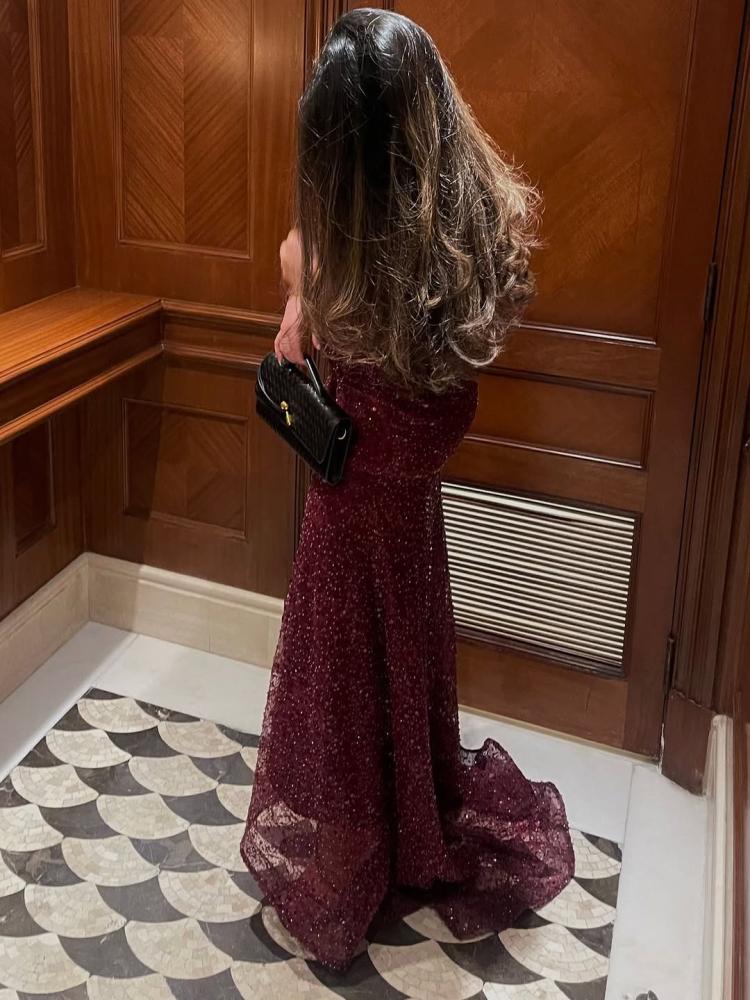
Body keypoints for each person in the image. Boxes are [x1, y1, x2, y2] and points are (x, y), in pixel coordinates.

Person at [240, 8, 574, 970]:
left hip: (353, 497)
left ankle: (355, 847)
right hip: (409, 495)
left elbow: (296, 255)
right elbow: (316, 276)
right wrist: (305, 294)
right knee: (395, 659)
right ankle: (403, 818)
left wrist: (300, 284)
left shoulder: (364, 250)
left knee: (340, 673)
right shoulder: (459, 223)